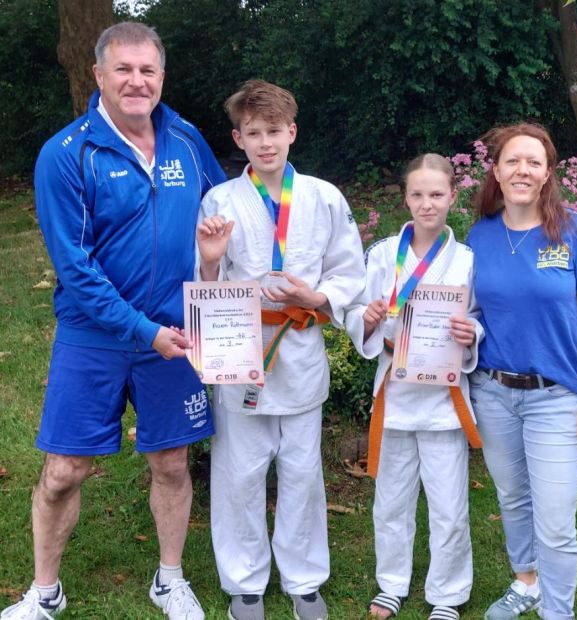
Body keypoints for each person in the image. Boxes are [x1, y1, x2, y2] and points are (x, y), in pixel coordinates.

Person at [1, 22, 227, 620]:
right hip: (95, 337)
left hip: (174, 335)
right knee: (64, 470)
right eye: (122, 69)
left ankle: (170, 579)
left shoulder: (186, 139)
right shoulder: (67, 153)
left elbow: (230, 209)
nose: (136, 81)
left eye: (147, 70)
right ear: (98, 75)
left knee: (172, 462)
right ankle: (44, 591)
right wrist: (142, 330)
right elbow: (76, 269)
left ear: (161, 77)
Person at [196, 79, 366, 620]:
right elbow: (205, 286)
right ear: (237, 138)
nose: (265, 142)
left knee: (301, 471)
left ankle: (304, 578)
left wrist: (315, 296)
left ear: (291, 132)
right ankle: (245, 583)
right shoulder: (220, 199)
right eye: (253, 133)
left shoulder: (323, 197)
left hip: (299, 345)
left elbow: (349, 271)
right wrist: (209, 258)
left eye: (274, 131)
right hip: (241, 352)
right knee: (240, 473)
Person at [465, 123, 577, 620]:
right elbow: (474, 312)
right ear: (496, 171)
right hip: (493, 393)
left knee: (554, 520)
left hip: (557, 398)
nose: (522, 170)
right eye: (512, 161)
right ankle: (526, 581)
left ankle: (558, 612)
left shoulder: (576, 232)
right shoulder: (479, 235)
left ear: (548, 173)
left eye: (533, 161)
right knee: (512, 499)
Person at [344, 154, 483, 620]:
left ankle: (447, 594)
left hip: (444, 399)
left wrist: (472, 335)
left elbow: (480, 318)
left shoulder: (466, 260)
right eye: (418, 194)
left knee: (448, 504)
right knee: (391, 500)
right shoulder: (383, 254)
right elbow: (358, 309)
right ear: (405, 197)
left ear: (452, 198)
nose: (427, 204)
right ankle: (392, 583)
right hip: (396, 392)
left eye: (437, 194)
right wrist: (363, 320)